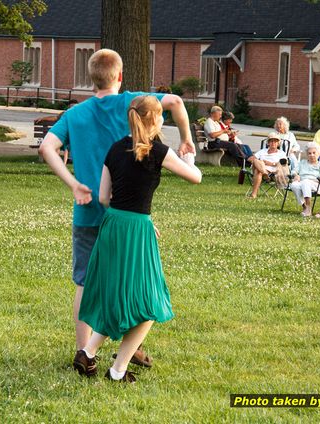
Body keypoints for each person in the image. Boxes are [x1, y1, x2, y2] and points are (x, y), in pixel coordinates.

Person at [38, 49, 195, 370]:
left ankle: (86, 351)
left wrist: (73, 183)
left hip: (88, 211)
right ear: (120, 76)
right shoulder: (133, 103)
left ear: (90, 77)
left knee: (86, 282)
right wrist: (187, 138)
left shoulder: (75, 114)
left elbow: (46, 147)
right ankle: (127, 345)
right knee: (132, 279)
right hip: (127, 212)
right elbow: (177, 102)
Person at [77, 96, 202, 382]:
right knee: (149, 303)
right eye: (162, 118)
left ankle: (88, 352)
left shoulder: (115, 148)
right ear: (156, 119)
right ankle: (118, 371)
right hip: (136, 230)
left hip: (113, 226)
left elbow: (103, 197)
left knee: (121, 297)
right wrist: (189, 153)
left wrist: (136, 217)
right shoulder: (158, 151)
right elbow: (195, 177)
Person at [289, 142, 320, 216]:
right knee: (294, 185)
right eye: (309, 153)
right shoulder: (302, 163)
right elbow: (293, 171)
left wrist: (307, 181)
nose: (311, 155)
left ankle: (309, 208)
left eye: (314, 153)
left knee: (306, 182)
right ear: (307, 155)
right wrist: (295, 175)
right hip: (302, 183)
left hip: (317, 185)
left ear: (318, 154)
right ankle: (305, 207)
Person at [247, 132, 289, 199]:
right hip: (263, 169)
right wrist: (261, 162)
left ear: (278, 144)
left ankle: (253, 194)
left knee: (257, 171)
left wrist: (271, 163)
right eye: (271, 141)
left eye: (275, 141)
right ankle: (264, 173)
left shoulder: (281, 153)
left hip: (273, 172)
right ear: (268, 143)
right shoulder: (262, 151)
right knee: (256, 161)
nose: (273, 143)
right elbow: (249, 159)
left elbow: (284, 163)